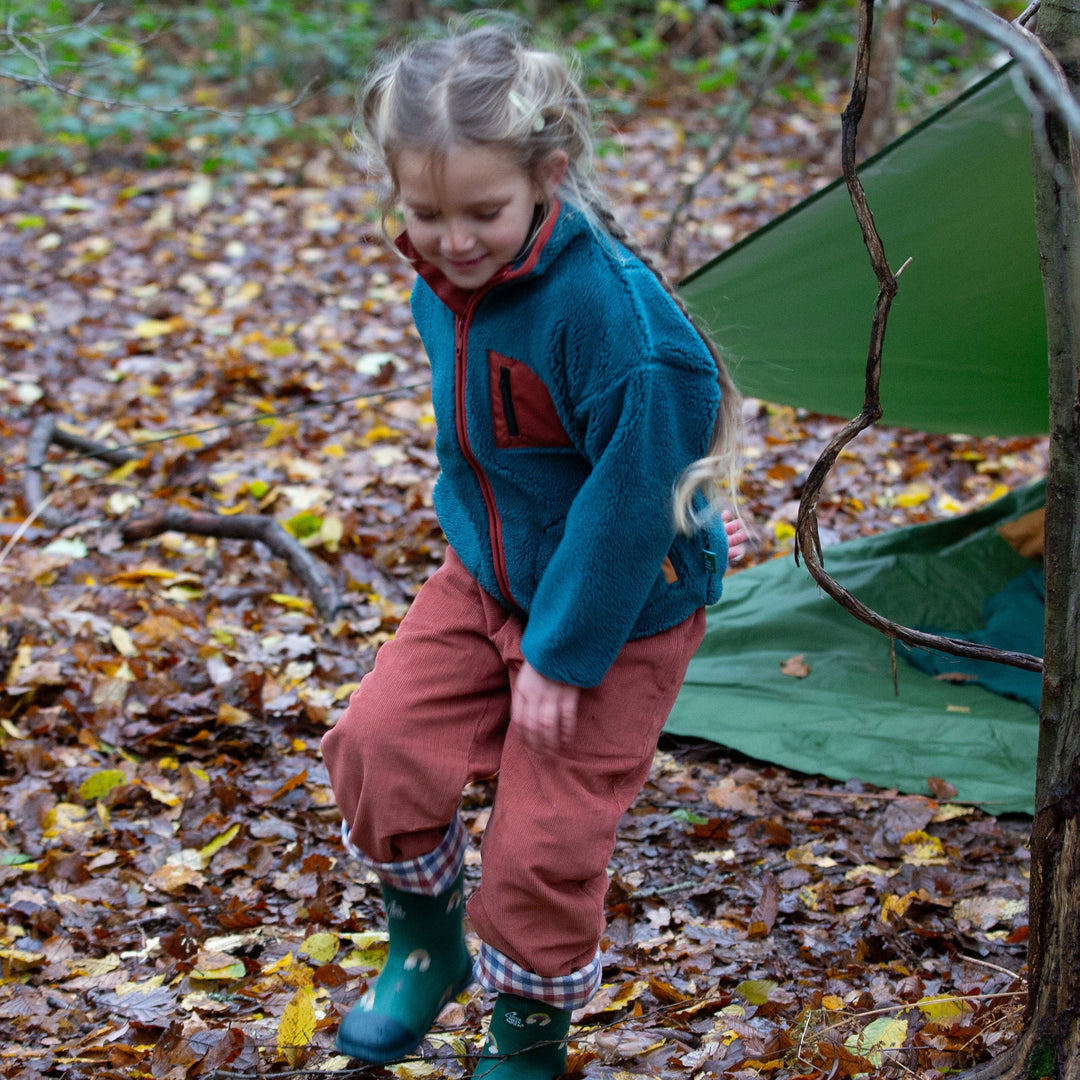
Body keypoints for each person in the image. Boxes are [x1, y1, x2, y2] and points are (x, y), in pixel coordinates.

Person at [321, 20, 748, 1079]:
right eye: (424, 213)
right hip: (491, 577)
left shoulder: (614, 324)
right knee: (379, 743)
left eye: (481, 212)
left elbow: (635, 497)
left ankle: (527, 1040)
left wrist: (562, 652)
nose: (451, 240)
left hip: (620, 606)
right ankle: (425, 950)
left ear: (549, 176)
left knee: (541, 844)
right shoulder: (444, 274)